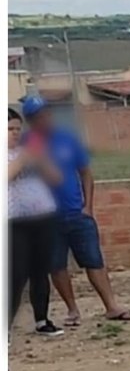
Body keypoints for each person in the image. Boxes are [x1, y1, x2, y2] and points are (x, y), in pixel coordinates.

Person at [20, 97, 130, 325]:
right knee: (56, 265)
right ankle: (72, 310)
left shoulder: (67, 138)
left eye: (46, 114)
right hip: (45, 217)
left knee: (94, 260)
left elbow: (85, 172)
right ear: (30, 120)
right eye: (38, 116)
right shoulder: (25, 144)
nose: (45, 119)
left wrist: (88, 206)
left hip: (76, 212)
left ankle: (111, 306)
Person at [8, 108, 63, 336]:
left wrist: (41, 159)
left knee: (40, 270)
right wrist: (22, 159)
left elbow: (56, 178)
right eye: (9, 129)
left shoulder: (28, 151)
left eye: (18, 129)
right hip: (13, 221)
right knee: (16, 274)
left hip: (41, 217)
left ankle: (42, 319)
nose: (14, 134)